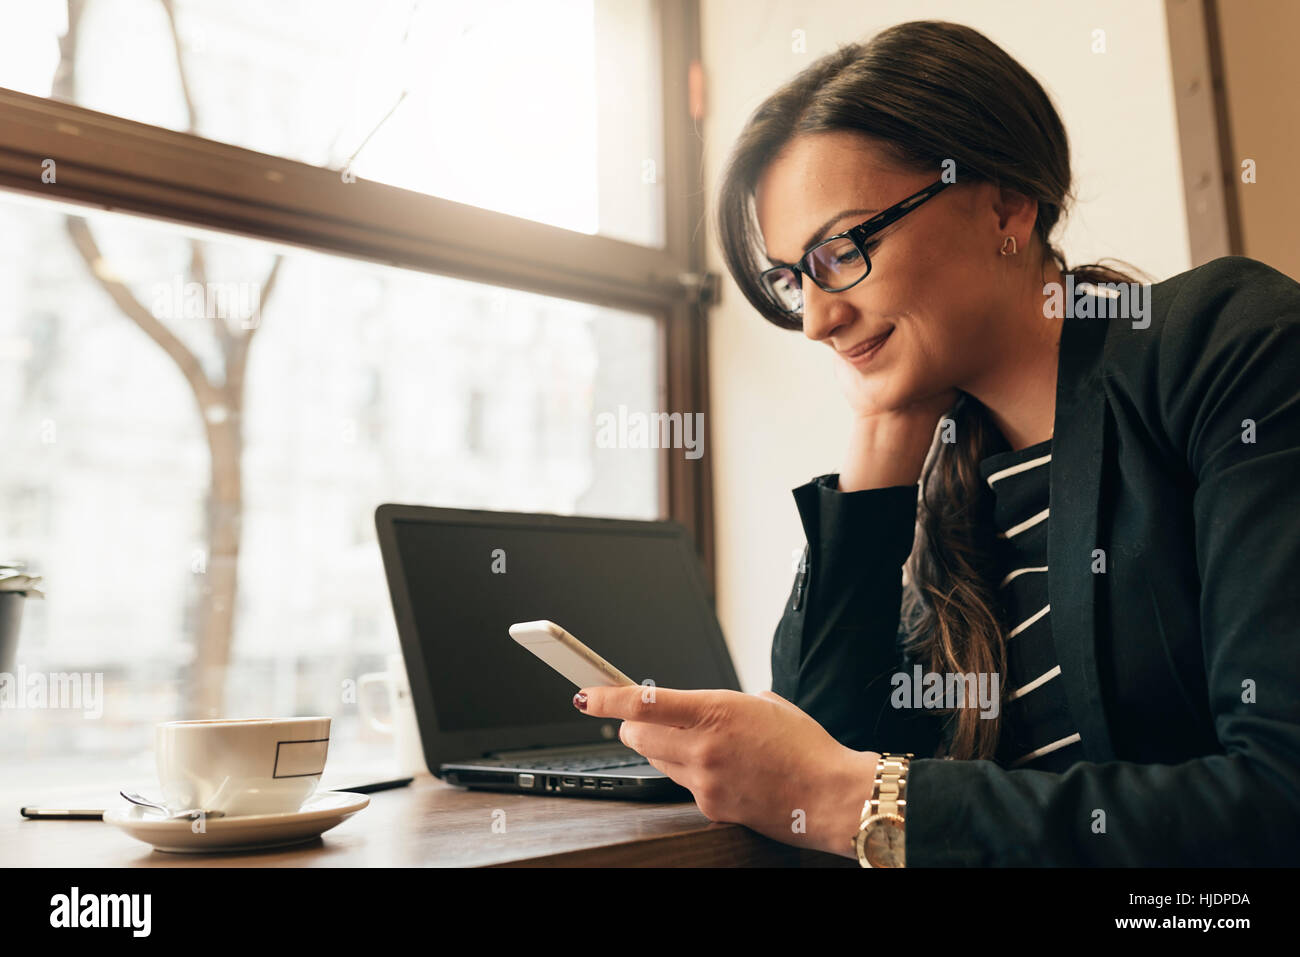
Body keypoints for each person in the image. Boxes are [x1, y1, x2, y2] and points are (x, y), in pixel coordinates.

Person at [573, 19, 1300, 866]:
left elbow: (1279, 797)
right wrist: (883, 434)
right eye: (789, 278)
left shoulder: (1223, 344)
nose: (814, 318)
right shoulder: (952, 481)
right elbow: (813, 789)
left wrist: (856, 796)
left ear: (1006, 205)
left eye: (842, 250)